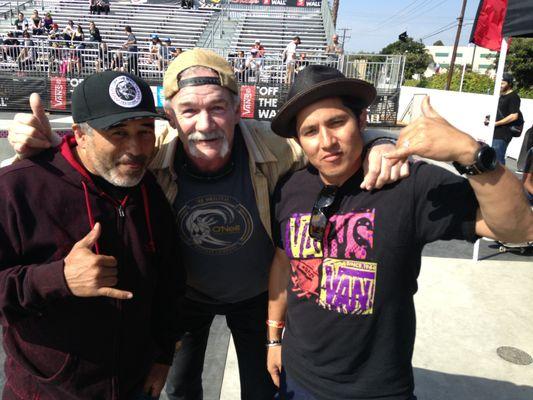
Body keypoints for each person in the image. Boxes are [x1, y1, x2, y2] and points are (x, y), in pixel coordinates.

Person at [6, 49, 408, 400]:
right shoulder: (150, 149)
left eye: (217, 107)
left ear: (238, 110)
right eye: (189, 111)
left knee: (264, 387)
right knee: (179, 389)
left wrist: (378, 143)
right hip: (186, 299)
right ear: (170, 117)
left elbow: (329, 135)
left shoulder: (273, 146)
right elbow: (97, 146)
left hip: (255, 296)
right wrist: (45, 140)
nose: (204, 123)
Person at [266, 65, 533, 400]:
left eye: (337, 122)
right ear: (299, 140)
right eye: (310, 131)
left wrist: (472, 154)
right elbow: (282, 263)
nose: (326, 142)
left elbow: (519, 227)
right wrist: (274, 338)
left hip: (376, 389)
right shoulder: (290, 188)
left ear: (361, 121)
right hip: (298, 378)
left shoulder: (409, 184)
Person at [0, 71, 185, 398]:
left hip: (135, 387)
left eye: (145, 131)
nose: (135, 147)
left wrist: (163, 356)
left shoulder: (149, 189)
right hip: (46, 392)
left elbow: (170, 280)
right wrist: (58, 278)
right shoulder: (17, 188)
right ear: (79, 134)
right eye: (117, 132)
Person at [492, 73, 522, 165]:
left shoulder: (513, 97)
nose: (500, 85)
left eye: (503, 83)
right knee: (492, 159)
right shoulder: (501, 96)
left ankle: (503, 179)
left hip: (503, 133)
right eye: (499, 83)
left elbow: (514, 115)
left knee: (498, 161)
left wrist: (496, 123)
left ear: (509, 84)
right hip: (495, 131)